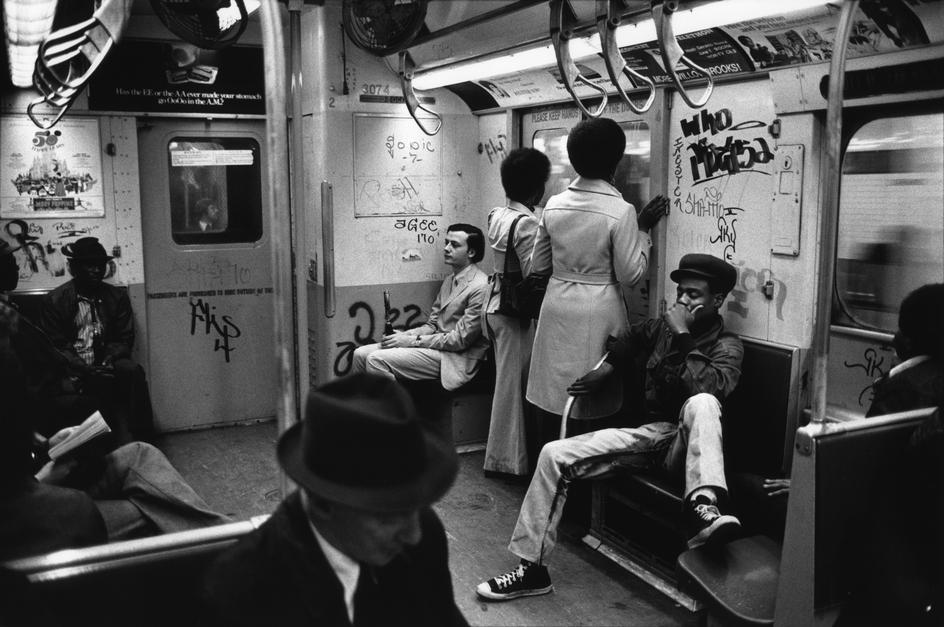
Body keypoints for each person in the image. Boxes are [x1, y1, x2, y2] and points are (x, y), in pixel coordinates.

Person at [477, 253, 743, 601]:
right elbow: (632, 337)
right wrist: (607, 368)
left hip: (691, 448)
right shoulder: (663, 329)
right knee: (554, 453)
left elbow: (708, 388)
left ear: (718, 300)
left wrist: (683, 336)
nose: (682, 300)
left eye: (693, 295)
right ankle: (532, 570)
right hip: (652, 438)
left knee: (702, 403)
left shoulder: (728, 347)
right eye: (681, 291)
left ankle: (703, 506)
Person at [203, 373, 468, 626]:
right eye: (388, 516)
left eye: (417, 505)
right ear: (321, 502)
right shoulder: (243, 595)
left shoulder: (424, 536)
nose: (413, 535)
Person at [526, 118, 667, 432]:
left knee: (555, 394)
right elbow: (631, 274)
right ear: (616, 160)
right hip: (598, 308)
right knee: (592, 401)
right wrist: (643, 230)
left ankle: (551, 464)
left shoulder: (553, 206)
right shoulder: (622, 211)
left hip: (556, 305)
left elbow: (537, 266)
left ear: (573, 159)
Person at [40, 237, 154, 442]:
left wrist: (108, 360)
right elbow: (56, 346)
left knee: (133, 372)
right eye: (89, 265)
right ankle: (97, 444)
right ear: (74, 268)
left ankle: (143, 439)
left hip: (106, 361)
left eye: (100, 265)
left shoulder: (116, 296)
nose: (96, 270)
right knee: (79, 388)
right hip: (72, 366)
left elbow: (124, 337)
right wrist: (83, 368)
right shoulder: (55, 300)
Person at [352, 224, 490, 391]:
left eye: (454, 245)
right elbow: (432, 324)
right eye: (446, 243)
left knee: (376, 360)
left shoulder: (480, 286)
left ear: (471, 252)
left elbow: (460, 340)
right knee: (359, 354)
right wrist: (406, 334)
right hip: (438, 348)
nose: (446, 248)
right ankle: (365, 412)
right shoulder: (449, 281)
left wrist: (410, 341)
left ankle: (393, 415)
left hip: (456, 358)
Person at [482, 148, 550, 476]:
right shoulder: (527, 224)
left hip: (493, 304)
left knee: (505, 383)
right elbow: (532, 272)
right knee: (512, 389)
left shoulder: (497, 214)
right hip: (514, 313)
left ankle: (506, 457)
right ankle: (506, 462)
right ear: (537, 189)